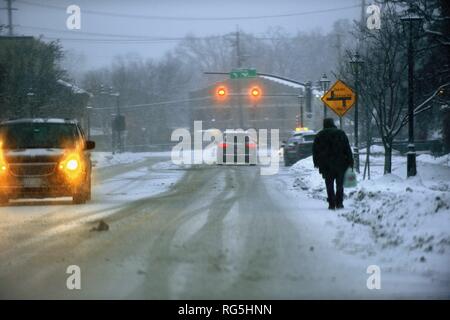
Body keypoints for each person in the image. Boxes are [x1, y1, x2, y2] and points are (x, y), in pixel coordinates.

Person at [312, 118, 354, 210]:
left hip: (326, 165)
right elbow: (347, 148)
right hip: (340, 163)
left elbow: (315, 150)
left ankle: (331, 203)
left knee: (329, 184)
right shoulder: (340, 133)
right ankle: (339, 203)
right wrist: (351, 162)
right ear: (333, 123)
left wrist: (316, 162)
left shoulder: (319, 135)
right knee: (340, 184)